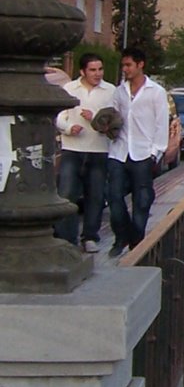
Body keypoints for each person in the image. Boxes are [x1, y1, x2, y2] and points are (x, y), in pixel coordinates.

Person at [107, 46, 169, 257]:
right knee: (114, 197)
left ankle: (137, 243)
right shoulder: (120, 91)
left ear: (140, 64)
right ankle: (121, 236)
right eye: (123, 65)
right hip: (119, 151)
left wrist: (156, 152)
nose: (125, 69)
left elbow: (162, 124)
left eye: (129, 65)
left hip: (143, 153)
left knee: (142, 200)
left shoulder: (156, 92)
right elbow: (114, 118)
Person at [54, 53, 116, 252]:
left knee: (95, 195)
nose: (97, 74)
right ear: (82, 71)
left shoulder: (110, 91)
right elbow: (58, 115)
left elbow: (115, 123)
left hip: (98, 149)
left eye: (100, 69)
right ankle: (67, 238)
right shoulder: (70, 89)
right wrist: (68, 126)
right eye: (92, 70)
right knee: (67, 194)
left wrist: (95, 118)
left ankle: (90, 236)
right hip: (72, 149)